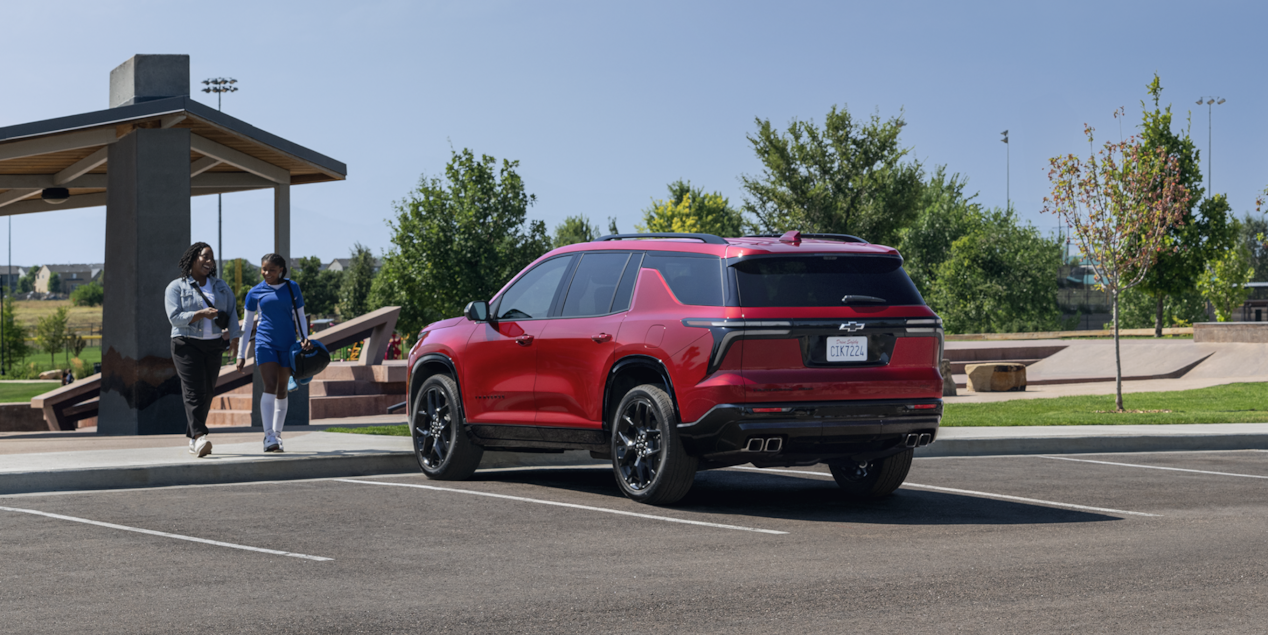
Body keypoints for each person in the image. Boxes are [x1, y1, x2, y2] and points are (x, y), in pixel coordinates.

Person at [165, 242, 240, 458]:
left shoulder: (221, 286)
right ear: (193, 258)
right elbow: (174, 319)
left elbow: (232, 312)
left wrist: (234, 338)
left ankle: (193, 438)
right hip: (186, 343)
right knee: (194, 390)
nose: (210, 262)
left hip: (214, 344)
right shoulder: (176, 287)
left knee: (207, 392)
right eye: (205, 257)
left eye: (212, 258)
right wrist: (199, 314)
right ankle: (199, 437)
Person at [236, 254, 314, 452]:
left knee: (282, 389)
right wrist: (241, 354)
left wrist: (305, 337)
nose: (266, 273)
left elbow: (300, 316)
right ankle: (268, 436)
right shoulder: (254, 292)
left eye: (271, 270)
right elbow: (246, 325)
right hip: (264, 343)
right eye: (264, 269)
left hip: (287, 344)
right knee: (269, 385)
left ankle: (278, 435)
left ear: (281, 270)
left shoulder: (292, 287)